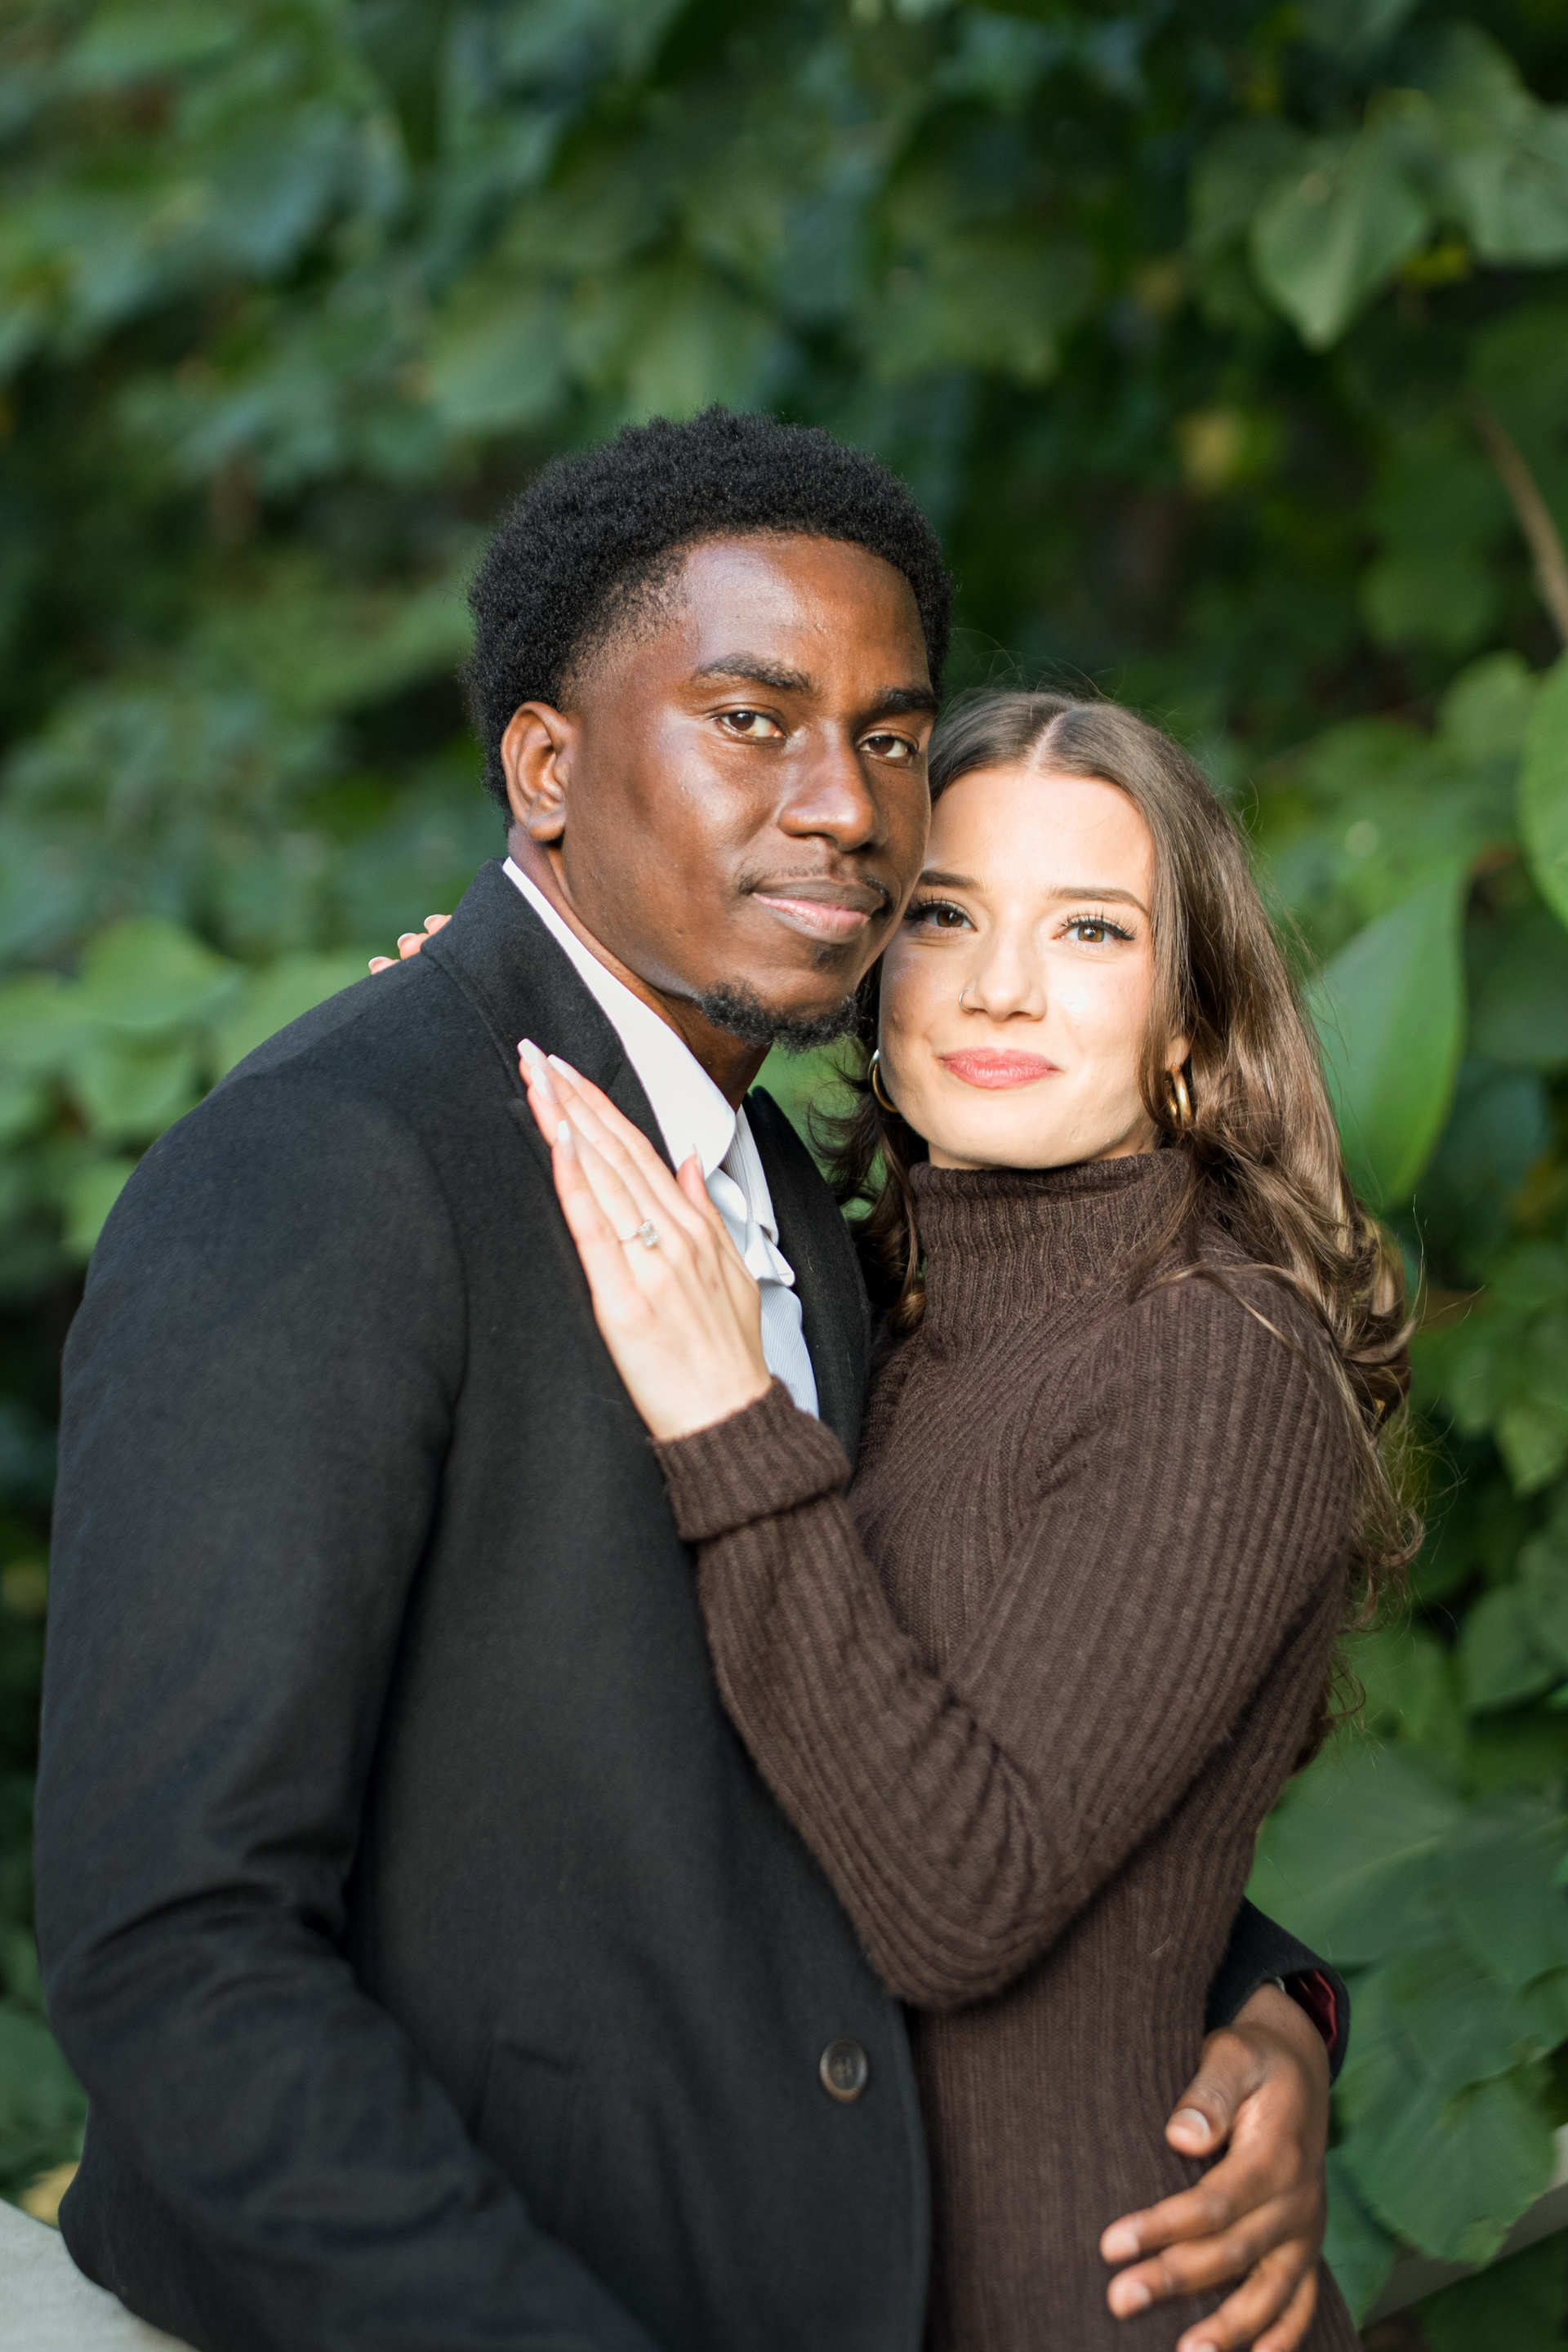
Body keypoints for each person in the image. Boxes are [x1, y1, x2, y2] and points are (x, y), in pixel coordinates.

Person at [35, 412, 1340, 2352]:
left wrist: (1260, 2002)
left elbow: (883, 1728)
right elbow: (175, 1946)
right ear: (545, 770)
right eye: (751, 720)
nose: (844, 809)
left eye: (890, 738)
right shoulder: (325, 1173)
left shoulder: (801, 1203)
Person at [514, 685, 1412, 2350]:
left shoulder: (1217, 1360)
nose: (1002, 984)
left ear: (1189, 1022)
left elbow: (960, 1896)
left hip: (1086, 2297)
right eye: (943, 914)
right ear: (872, 967)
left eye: (1092, 929)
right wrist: (475, 1032)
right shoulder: (867, 1304)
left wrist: (729, 1422)